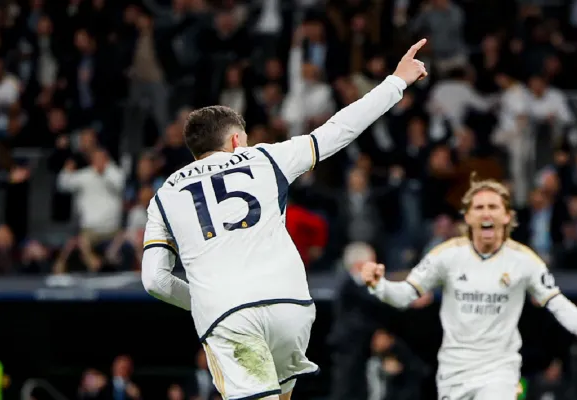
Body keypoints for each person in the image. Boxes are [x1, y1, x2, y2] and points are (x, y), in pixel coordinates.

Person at [141, 39, 429, 400]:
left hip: (229, 315)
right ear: (235, 140)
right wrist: (396, 82)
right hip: (290, 307)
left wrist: (201, 300)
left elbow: (154, 279)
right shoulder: (264, 158)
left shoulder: (164, 195)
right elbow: (339, 129)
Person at [361, 175, 577, 400]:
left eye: (493, 207)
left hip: (500, 369)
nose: (486, 213)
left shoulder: (524, 260)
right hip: (455, 369)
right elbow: (405, 295)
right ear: (468, 217)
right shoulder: (446, 255)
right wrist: (379, 285)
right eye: (479, 207)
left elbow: (555, 302)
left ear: (506, 216)